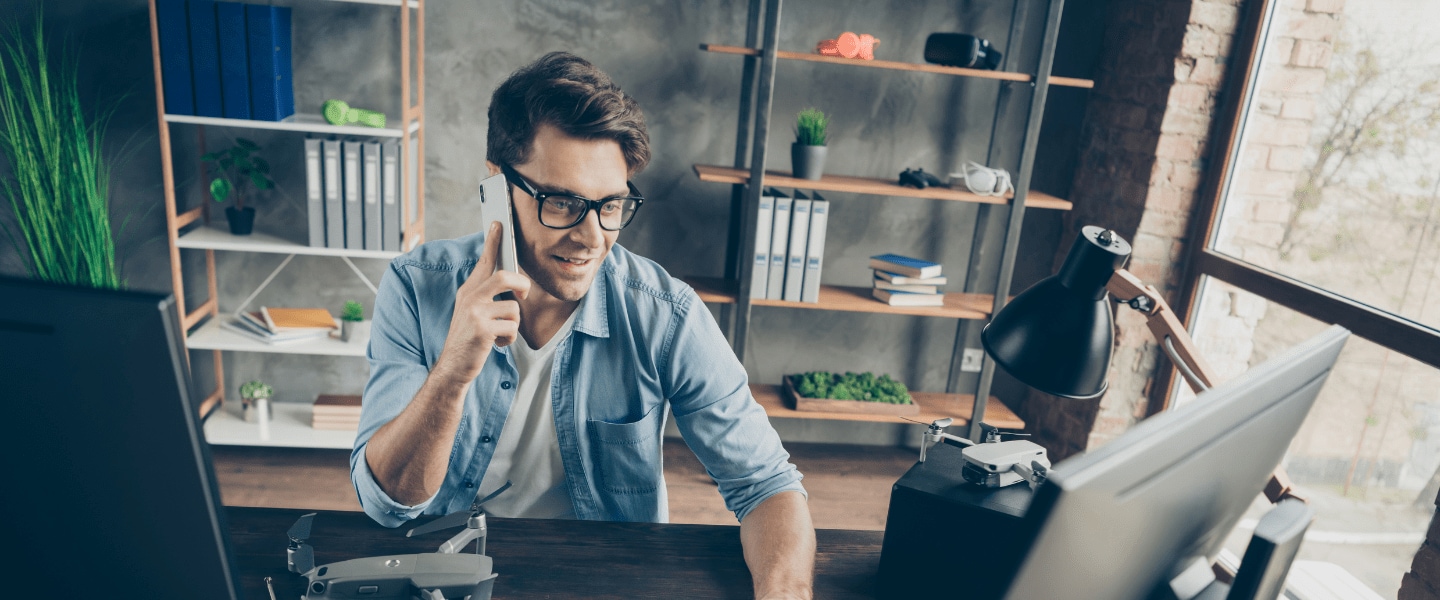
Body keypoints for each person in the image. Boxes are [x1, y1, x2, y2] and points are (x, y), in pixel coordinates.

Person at [351, 52, 816, 598]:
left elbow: (766, 485)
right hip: (446, 578)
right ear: (497, 187)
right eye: (563, 202)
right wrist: (452, 372)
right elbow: (388, 504)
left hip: (607, 581)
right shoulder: (416, 286)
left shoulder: (667, 314)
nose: (592, 236)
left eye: (611, 205)